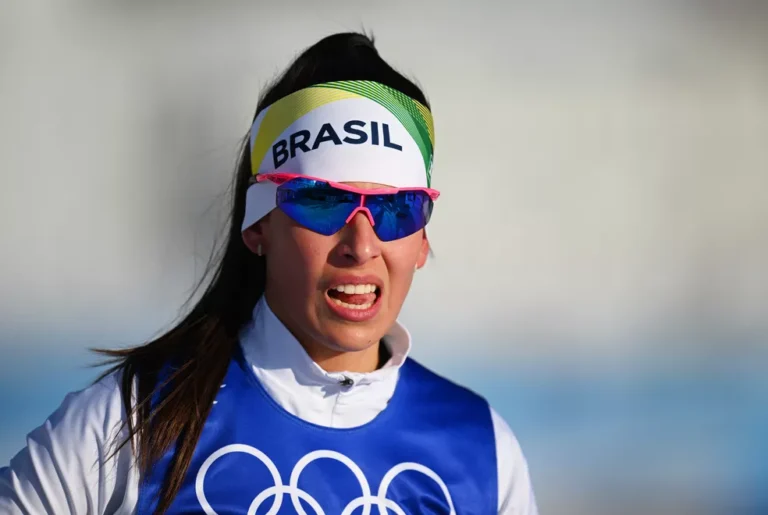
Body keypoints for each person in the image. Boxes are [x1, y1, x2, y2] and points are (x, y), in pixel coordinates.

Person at [0, 32, 538, 514]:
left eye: (397, 209)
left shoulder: (482, 449)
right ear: (258, 227)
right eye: (323, 203)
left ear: (421, 240)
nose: (361, 245)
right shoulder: (136, 420)